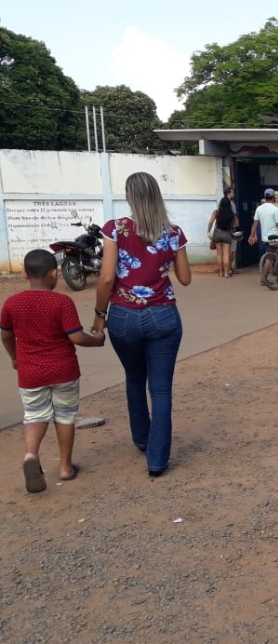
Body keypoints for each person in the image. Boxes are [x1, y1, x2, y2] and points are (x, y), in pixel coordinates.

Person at [93, 171, 192, 478]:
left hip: (123, 315)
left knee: (135, 377)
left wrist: (99, 315)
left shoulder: (115, 229)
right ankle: (157, 460)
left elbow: (106, 278)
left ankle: (141, 439)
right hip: (163, 315)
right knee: (161, 389)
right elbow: (185, 278)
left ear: (129, 196)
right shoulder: (174, 233)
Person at [0, 249, 106, 493]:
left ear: (25, 274)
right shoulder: (61, 302)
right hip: (63, 370)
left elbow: (5, 335)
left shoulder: (12, 303)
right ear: (54, 274)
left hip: (30, 372)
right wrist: (97, 340)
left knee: (34, 415)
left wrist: (15, 357)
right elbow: (76, 337)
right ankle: (66, 468)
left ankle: (30, 454)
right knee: (65, 416)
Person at [207, 188, 239, 278]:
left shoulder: (216, 212)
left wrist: (208, 232)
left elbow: (211, 222)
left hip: (217, 232)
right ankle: (226, 273)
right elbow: (236, 224)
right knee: (226, 254)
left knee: (219, 254)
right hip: (227, 233)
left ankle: (220, 272)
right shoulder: (232, 215)